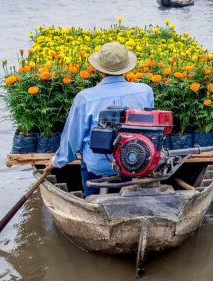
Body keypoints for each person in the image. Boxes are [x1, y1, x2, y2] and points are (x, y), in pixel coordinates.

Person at [49, 42, 154, 197]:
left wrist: (56, 161)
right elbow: (150, 128)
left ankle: (91, 197)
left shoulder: (85, 97)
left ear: (99, 70)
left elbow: (72, 141)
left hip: (99, 167)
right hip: (138, 161)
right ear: (126, 68)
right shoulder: (145, 91)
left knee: (87, 155)